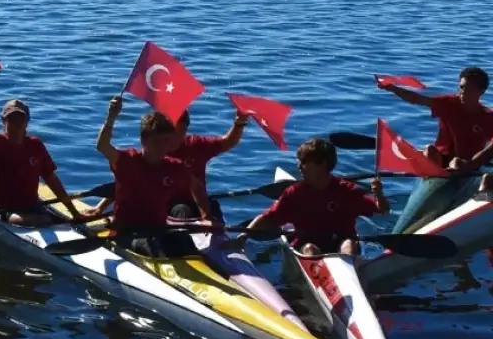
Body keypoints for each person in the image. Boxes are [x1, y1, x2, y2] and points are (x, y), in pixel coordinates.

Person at [0, 72, 83, 225]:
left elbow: (51, 179)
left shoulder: (36, 145)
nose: (16, 123)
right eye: (11, 119)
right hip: (1, 209)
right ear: (3, 121)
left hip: (31, 205)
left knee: (56, 220)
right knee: (42, 220)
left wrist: (73, 212)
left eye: (20, 119)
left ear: (27, 121)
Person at [95, 96, 209, 256]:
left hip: (158, 229)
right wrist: (111, 117)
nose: (163, 147)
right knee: (151, 246)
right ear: (143, 140)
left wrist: (207, 216)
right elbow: (102, 146)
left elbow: (196, 186)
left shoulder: (174, 166)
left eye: (167, 141)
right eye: (157, 142)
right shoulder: (127, 160)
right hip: (127, 232)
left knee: (186, 242)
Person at [242, 137, 388, 255]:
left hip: (341, 243)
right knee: (310, 249)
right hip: (307, 244)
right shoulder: (294, 193)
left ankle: (351, 271)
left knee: (349, 245)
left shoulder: (347, 191)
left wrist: (379, 194)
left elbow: (382, 210)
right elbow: (267, 218)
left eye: (304, 162)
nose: (299, 166)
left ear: (322, 164)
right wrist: (242, 237)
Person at [378, 67, 493, 171]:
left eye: (469, 89)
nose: (463, 92)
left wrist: (471, 164)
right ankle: (435, 178)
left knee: (456, 162)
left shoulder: (488, 117)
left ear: (481, 91)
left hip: (469, 164)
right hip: (441, 160)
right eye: (462, 87)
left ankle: (448, 177)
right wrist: (393, 89)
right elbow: (417, 99)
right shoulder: (449, 104)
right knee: (429, 150)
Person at [166, 106, 249, 223]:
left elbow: (228, 142)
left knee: (214, 207)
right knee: (182, 209)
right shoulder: (156, 152)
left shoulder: (195, 145)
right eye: (175, 132)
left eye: (182, 132)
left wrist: (239, 123)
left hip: (199, 203)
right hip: (171, 208)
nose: (178, 138)